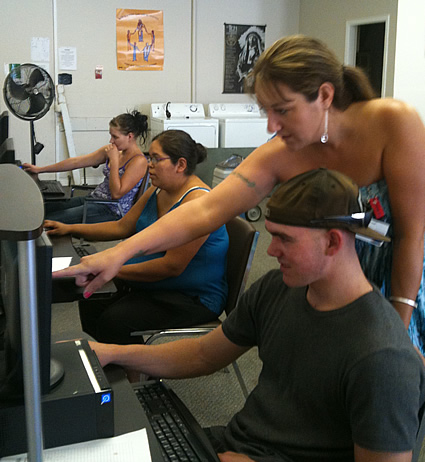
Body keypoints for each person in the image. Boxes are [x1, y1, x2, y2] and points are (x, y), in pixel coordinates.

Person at [53, 35, 425, 355]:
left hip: (398, 280)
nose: (271, 126)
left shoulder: (392, 123)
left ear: (324, 95)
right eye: (265, 111)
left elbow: (411, 236)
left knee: (394, 388)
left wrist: (397, 326)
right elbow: (205, 210)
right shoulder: (281, 153)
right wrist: (119, 254)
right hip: (328, 280)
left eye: (282, 110)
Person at [89, 168, 425, 462]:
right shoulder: (280, 286)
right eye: (272, 234)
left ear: (333, 241)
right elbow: (203, 354)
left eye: (285, 239)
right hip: (234, 448)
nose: (270, 251)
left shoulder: (382, 356)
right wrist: (113, 353)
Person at [46, 130, 228, 344]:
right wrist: (70, 228)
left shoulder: (197, 205)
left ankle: (132, 372)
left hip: (191, 296)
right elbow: (121, 227)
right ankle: (106, 365)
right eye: (149, 157)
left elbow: (171, 266)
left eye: (156, 159)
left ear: (180, 165)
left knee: (115, 320)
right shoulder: (158, 190)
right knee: (93, 296)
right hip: (156, 282)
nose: (149, 164)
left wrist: (112, 269)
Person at [23, 110, 149, 224]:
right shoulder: (113, 151)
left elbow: (117, 194)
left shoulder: (138, 161)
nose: (111, 141)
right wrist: (40, 169)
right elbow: (76, 162)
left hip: (112, 210)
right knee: (43, 210)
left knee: (47, 221)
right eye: (111, 135)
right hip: (94, 199)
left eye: (115, 137)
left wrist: (114, 162)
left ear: (130, 136)